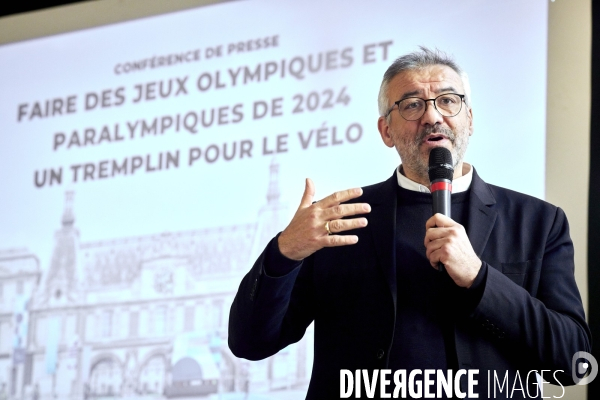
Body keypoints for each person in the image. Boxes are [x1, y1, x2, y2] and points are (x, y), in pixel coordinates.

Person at [228, 47, 591, 399]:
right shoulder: (340, 220)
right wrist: (284, 253)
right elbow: (250, 342)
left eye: (448, 100)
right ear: (386, 131)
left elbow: (574, 363)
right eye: (413, 104)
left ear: (470, 119)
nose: (433, 116)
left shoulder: (538, 222)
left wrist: (481, 279)